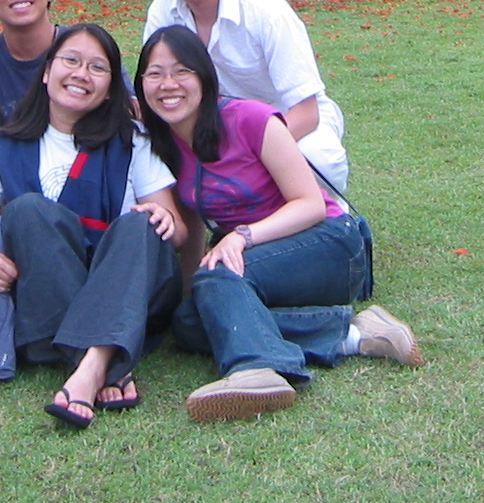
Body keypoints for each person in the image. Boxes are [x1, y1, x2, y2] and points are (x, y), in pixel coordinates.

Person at [136, 26, 421, 420]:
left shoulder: (250, 118)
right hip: (262, 265)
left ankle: (255, 369)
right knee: (189, 321)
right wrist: (191, 293)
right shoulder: (164, 143)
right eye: (154, 73)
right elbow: (196, 227)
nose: (168, 84)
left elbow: (310, 204)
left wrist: (241, 237)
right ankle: (356, 334)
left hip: (328, 245)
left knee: (217, 276)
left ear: (204, 77)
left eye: (182, 71)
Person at [0, 23, 183, 429]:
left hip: (124, 286)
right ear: (47, 71)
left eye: (97, 68)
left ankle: (90, 362)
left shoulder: (131, 140)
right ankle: (101, 361)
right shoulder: (7, 147)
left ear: (110, 87)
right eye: (70, 61)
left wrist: (164, 220)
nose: (81, 74)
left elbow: (178, 230)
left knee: (138, 226)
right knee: (28, 210)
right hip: (50, 295)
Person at [141, 0, 349, 191]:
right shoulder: (163, 11)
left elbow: (306, 111)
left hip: (285, 123)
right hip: (210, 126)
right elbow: (159, 88)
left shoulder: (267, 13)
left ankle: (330, 221)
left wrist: (247, 153)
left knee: (318, 161)